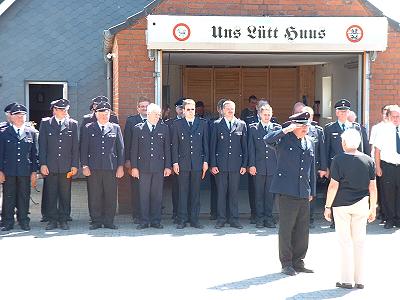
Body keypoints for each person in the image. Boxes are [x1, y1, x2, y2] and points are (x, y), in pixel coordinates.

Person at [324, 128, 377, 289]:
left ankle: (346, 279)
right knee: (359, 242)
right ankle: (360, 280)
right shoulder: (369, 160)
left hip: (341, 205)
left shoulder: (338, 160)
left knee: (345, 242)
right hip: (362, 204)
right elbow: (372, 187)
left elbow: (333, 186)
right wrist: (373, 208)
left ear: (344, 143)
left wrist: (327, 206)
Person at [264, 111, 315, 276]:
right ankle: (286, 263)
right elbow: (267, 139)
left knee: (302, 229)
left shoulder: (309, 142)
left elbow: (311, 169)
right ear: (294, 126)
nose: (305, 129)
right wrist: (285, 130)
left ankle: (298, 261)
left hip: (303, 190)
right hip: (286, 190)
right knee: (286, 229)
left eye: (307, 126)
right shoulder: (283, 140)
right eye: (302, 126)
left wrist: (311, 190)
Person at [324, 99, 370, 228]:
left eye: (346, 111)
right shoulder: (329, 128)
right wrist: (324, 167)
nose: (343, 113)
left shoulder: (357, 128)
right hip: (336, 166)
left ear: (348, 112)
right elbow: (325, 149)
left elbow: (364, 148)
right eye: (341, 111)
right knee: (336, 191)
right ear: (337, 113)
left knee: (354, 189)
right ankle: (335, 219)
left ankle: (354, 217)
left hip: (354, 166)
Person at [80, 101, 124, 230]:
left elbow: (120, 149)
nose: (104, 115)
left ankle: (109, 221)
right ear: (96, 114)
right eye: (101, 113)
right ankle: (96, 221)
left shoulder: (115, 128)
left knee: (110, 195)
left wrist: (120, 166)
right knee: (95, 195)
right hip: (93, 168)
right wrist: (84, 165)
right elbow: (83, 148)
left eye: (106, 113)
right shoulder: (89, 127)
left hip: (111, 168)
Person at [38, 99, 79, 230]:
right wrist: (43, 164)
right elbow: (42, 145)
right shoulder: (46, 123)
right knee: (51, 193)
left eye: (66, 109)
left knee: (65, 194)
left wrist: (74, 165)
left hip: (66, 166)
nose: (64, 112)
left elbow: (75, 147)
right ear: (54, 110)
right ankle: (52, 220)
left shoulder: (73, 124)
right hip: (50, 166)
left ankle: (64, 219)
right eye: (61, 109)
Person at [131, 103, 171, 229]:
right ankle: (144, 221)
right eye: (156, 114)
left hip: (159, 168)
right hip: (143, 168)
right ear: (148, 114)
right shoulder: (138, 128)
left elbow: (167, 149)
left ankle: (156, 220)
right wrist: (134, 167)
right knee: (143, 195)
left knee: (157, 195)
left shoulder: (164, 128)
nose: (158, 116)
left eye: (159, 114)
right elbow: (134, 149)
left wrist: (167, 166)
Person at [0, 104, 39, 231]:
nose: (20, 118)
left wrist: (34, 172)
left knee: (24, 196)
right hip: (9, 171)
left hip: (25, 171)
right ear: (11, 117)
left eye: (22, 115)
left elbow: (34, 154)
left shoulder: (31, 132)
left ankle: (23, 220)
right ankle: (7, 221)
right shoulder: (4, 133)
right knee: (8, 196)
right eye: (17, 115)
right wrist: (0, 171)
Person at [210, 100, 247, 229]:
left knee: (234, 193)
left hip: (236, 165)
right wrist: (213, 164)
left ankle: (234, 219)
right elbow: (212, 146)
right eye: (228, 109)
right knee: (221, 193)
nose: (230, 111)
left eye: (232, 108)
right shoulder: (216, 125)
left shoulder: (241, 124)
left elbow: (244, 147)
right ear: (223, 110)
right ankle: (221, 219)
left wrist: (244, 164)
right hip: (220, 166)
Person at [172, 99, 209, 229]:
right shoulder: (177, 124)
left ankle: (194, 219)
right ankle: (182, 219)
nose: (191, 111)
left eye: (192, 109)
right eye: (188, 109)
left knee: (195, 193)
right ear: (183, 110)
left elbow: (206, 145)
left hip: (198, 163)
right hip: (183, 163)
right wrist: (175, 162)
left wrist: (206, 161)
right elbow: (175, 145)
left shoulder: (203, 123)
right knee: (183, 192)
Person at [248, 104, 280, 228]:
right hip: (258, 165)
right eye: (264, 114)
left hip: (272, 166)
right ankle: (259, 218)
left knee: (269, 194)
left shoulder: (276, 128)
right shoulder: (253, 128)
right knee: (259, 193)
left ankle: (269, 217)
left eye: (268, 114)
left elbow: (279, 148)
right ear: (259, 115)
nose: (266, 117)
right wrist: (251, 164)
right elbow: (251, 148)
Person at [123, 99, 150, 223]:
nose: (144, 108)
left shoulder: (155, 119)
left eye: (146, 106)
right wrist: (128, 160)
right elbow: (127, 141)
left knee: (150, 189)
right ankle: (137, 214)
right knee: (136, 189)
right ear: (137, 108)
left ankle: (149, 213)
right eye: (142, 106)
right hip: (135, 161)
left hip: (151, 162)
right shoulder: (131, 121)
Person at [374, 104, 400, 229]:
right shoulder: (383, 130)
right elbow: (377, 150)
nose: (396, 119)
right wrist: (378, 167)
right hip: (387, 166)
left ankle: (398, 219)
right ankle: (390, 219)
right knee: (388, 194)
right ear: (388, 117)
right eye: (394, 116)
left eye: (398, 116)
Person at [165, 98, 185, 223]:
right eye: (180, 108)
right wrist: (171, 163)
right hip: (176, 161)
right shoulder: (169, 123)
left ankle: (186, 212)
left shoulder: (193, 122)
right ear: (176, 109)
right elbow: (168, 145)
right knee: (177, 188)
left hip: (189, 161)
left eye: (184, 108)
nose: (182, 110)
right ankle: (176, 212)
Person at [369, 105, 389, 223]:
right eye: (385, 113)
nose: (386, 115)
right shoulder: (377, 128)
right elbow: (373, 146)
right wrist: (375, 164)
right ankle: (382, 212)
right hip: (379, 160)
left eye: (388, 113)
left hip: (391, 160)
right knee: (381, 188)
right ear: (382, 114)